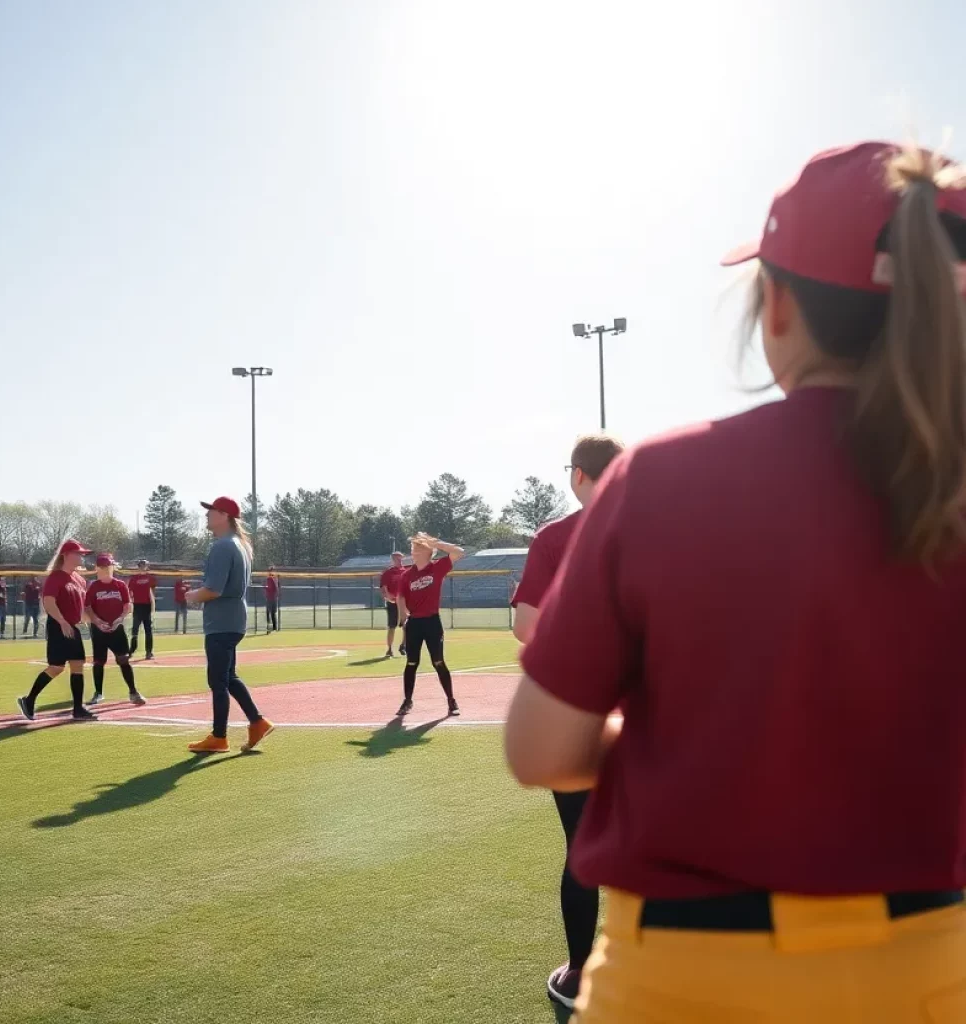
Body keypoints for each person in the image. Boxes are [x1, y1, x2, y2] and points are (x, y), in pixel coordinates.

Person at [505, 141, 966, 1023]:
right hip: (930, 974)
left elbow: (539, 750)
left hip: (685, 977)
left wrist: (695, 746)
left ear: (777, 306)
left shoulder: (663, 479)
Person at [510, 433, 625, 1012]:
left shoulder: (555, 537)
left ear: (578, 474)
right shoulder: (657, 527)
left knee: (582, 847)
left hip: (578, 717)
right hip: (649, 714)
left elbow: (527, 626)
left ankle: (580, 971)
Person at [185, 496, 273, 754]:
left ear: (224, 515)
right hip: (233, 620)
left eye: (210, 511)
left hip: (221, 622)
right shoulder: (239, 545)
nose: (206, 515)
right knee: (228, 677)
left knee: (218, 681)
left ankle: (219, 737)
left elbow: (213, 590)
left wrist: (192, 596)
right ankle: (257, 722)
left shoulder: (223, 546)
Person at [16, 539, 96, 722]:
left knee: (77, 664)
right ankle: (28, 700)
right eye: (78, 554)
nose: (81, 557)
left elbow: (81, 609)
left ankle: (78, 709)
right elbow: (49, 602)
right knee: (56, 667)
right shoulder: (56, 577)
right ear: (66, 555)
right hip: (59, 626)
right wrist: (62, 621)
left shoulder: (79, 579)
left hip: (73, 626)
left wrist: (93, 621)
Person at [395, 533, 464, 717]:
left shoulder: (437, 567)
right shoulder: (407, 575)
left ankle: (451, 701)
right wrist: (403, 617)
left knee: (438, 661)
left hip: (432, 622)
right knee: (411, 662)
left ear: (428, 552)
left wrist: (436, 543)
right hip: (414, 623)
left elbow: (459, 552)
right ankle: (407, 701)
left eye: (418, 547)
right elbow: (400, 596)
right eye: (413, 547)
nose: (413, 550)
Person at [84, 554, 146, 707]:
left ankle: (133, 692)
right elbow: (88, 607)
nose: (106, 569)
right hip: (99, 629)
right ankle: (98, 693)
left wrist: (120, 619)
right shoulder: (93, 586)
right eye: (103, 567)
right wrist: (97, 622)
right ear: (97, 568)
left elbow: (127, 605)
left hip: (117, 628)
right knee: (99, 661)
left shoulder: (120, 585)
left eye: (108, 566)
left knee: (123, 659)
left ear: (113, 567)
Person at [379, 552, 407, 658]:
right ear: (392, 560)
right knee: (392, 626)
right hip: (392, 603)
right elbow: (383, 588)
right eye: (396, 559)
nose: (399, 561)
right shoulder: (388, 573)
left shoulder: (405, 572)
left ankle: (403, 646)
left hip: (404, 603)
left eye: (400, 559)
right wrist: (387, 597)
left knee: (407, 625)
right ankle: (389, 649)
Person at [128, 559, 157, 659]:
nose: (143, 567)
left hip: (147, 606)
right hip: (137, 605)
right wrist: (130, 603)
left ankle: (149, 652)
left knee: (148, 629)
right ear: (138, 566)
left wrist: (153, 605)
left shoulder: (150, 578)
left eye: (144, 565)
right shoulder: (134, 578)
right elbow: (130, 591)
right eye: (141, 565)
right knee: (135, 629)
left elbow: (153, 592)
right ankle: (131, 650)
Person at [265, 567, 279, 633]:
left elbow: (273, 588)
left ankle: (270, 628)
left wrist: (266, 588)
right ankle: (274, 627)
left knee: (269, 613)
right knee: (272, 613)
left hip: (271, 598)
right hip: (273, 597)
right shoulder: (274, 578)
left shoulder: (271, 578)